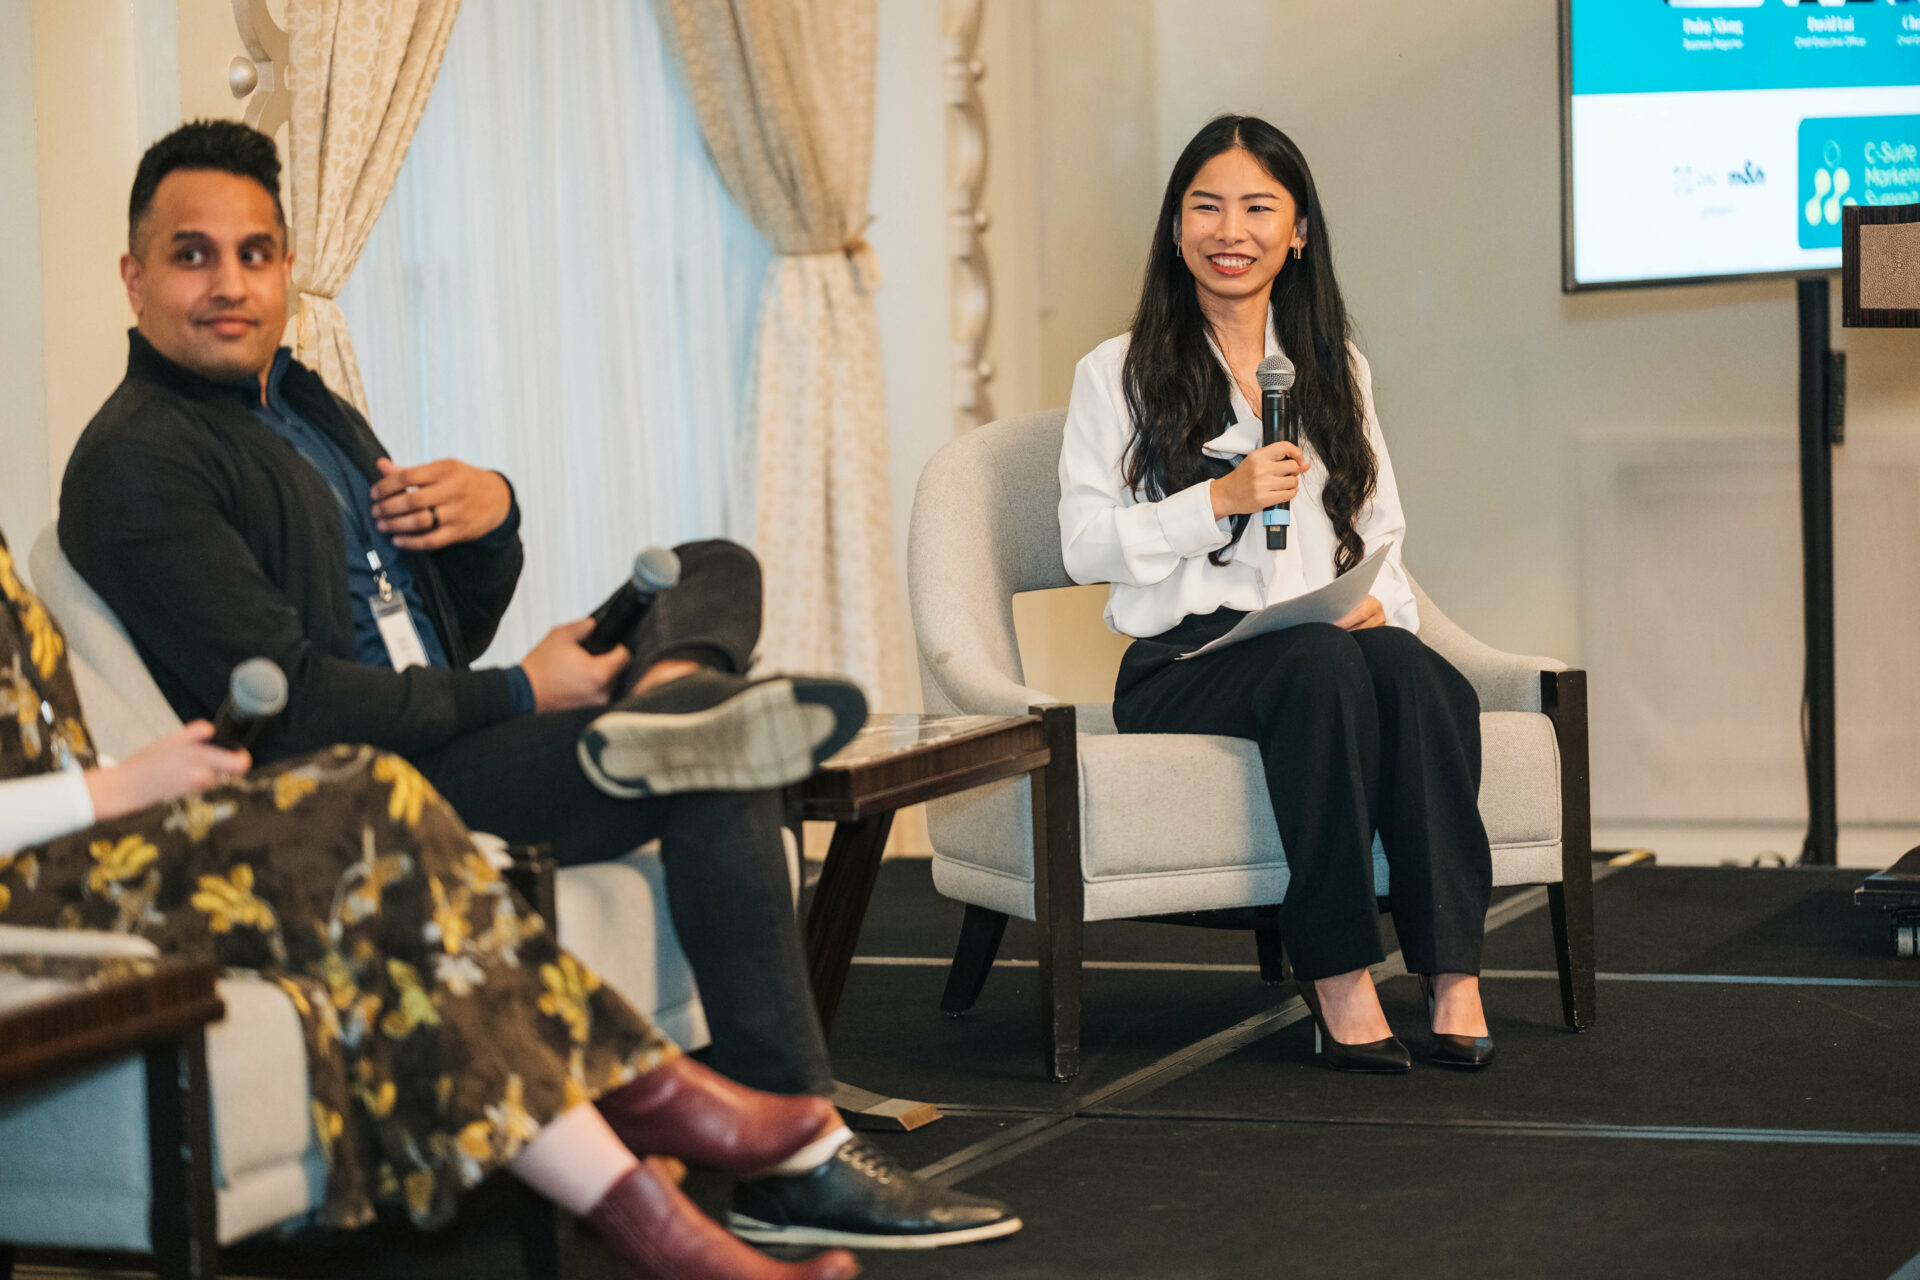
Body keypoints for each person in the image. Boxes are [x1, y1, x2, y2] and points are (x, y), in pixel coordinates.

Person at [58, 119, 1018, 1248]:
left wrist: (491, 517)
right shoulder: (140, 460)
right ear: (134, 276)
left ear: (281, 267)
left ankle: (668, 706)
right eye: (193, 255)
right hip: (373, 795)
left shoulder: (302, 405)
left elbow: (435, 623)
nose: (230, 283)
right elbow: (304, 704)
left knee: (714, 568)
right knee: (719, 767)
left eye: (256, 253)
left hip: (456, 720)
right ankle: (798, 1160)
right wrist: (525, 691)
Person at [0, 526, 856, 1279]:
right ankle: (642, 1094)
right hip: (36, 880)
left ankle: (673, 1231)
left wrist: (492, 522)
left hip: (80, 849)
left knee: (376, 806)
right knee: (361, 796)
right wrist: (107, 793)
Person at [1057, 115, 1495, 1073]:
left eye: (1259, 207)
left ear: (1298, 232)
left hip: (1314, 637)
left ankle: (1451, 970)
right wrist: (1214, 499)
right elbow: (1085, 544)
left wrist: (1389, 608)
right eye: (1207, 206)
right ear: (1176, 229)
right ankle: (1337, 973)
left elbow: (1380, 525)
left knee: (1418, 676)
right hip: (1184, 662)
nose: (1231, 229)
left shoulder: (1335, 367)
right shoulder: (1116, 370)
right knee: (1322, 667)